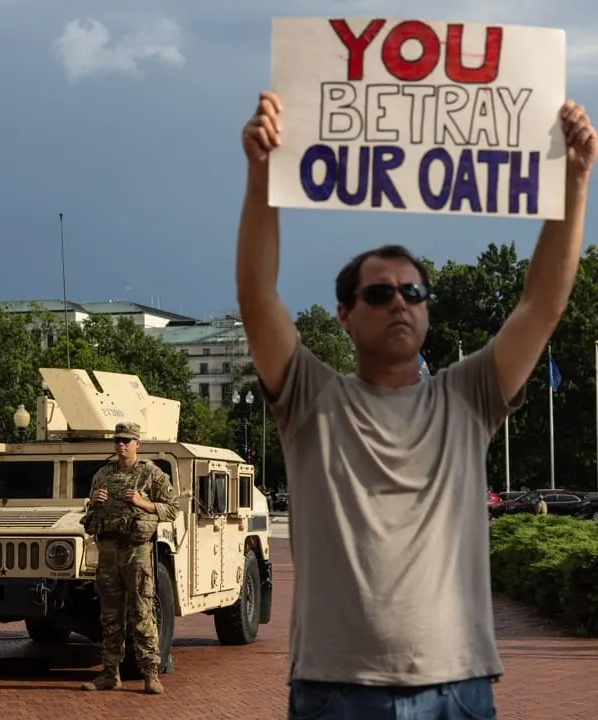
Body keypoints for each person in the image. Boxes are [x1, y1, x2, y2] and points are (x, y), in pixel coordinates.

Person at [237, 90, 596, 719]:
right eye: (379, 294)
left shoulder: (468, 395)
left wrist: (574, 179)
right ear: (345, 314)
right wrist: (263, 172)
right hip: (336, 687)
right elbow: (257, 297)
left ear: (428, 308)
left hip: (456, 687)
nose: (399, 302)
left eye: (413, 291)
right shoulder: (311, 399)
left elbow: (542, 306)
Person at [80, 421, 180, 694]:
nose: (121, 445)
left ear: (137, 443)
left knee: (142, 612)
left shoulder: (150, 474)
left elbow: (173, 509)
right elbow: (89, 517)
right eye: (117, 440)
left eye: (126, 440)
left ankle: (151, 674)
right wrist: (94, 502)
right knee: (110, 615)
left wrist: (141, 502)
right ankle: (110, 674)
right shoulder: (102, 474)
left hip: (137, 551)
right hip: (108, 551)